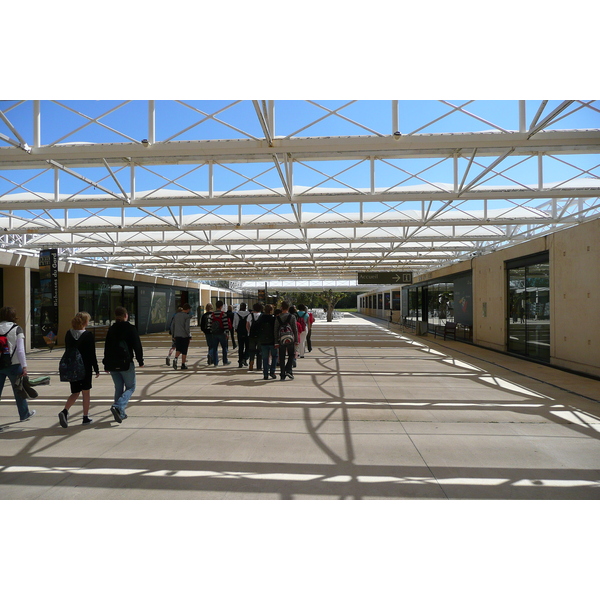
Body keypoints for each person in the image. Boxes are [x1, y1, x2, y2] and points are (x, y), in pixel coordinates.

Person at [58, 311, 99, 427]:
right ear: (86, 322)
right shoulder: (88, 335)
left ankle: (64, 411)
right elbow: (92, 354)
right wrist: (96, 368)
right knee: (86, 392)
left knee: (75, 392)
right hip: (85, 368)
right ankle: (85, 417)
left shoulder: (68, 334)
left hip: (72, 367)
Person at [103, 306, 144, 423]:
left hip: (112, 363)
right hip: (125, 363)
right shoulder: (130, 328)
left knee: (118, 388)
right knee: (131, 387)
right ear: (126, 315)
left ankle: (121, 413)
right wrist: (140, 361)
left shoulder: (112, 329)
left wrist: (106, 364)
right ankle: (118, 406)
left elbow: (107, 347)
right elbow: (137, 345)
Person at [0, 306, 36, 422]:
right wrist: (24, 366)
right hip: (14, 365)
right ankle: (24, 414)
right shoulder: (17, 329)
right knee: (19, 391)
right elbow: (20, 350)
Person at [274, 301, 298, 381]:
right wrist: (296, 340)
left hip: (281, 339)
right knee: (291, 355)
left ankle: (282, 374)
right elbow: (295, 329)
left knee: (282, 356)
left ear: (281, 308)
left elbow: (276, 330)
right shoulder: (292, 316)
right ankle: (289, 369)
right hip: (290, 338)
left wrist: (276, 341)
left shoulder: (278, 317)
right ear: (288, 308)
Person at [208, 300, 232, 366]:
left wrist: (211, 332)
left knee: (215, 348)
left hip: (214, 333)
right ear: (221, 306)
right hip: (222, 333)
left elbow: (209, 324)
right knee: (224, 348)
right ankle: (225, 361)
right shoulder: (223, 314)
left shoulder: (212, 314)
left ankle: (215, 362)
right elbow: (226, 324)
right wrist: (227, 333)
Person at [258, 304, 277, 380]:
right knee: (274, 356)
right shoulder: (274, 319)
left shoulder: (261, 318)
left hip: (263, 341)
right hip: (272, 340)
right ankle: (272, 371)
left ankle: (265, 373)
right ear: (271, 310)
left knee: (265, 358)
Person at [170, 303, 192, 370]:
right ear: (188, 309)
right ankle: (183, 364)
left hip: (177, 335)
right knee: (184, 350)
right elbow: (187, 327)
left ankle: (175, 359)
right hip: (184, 335)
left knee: (178, 348)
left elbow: (172, 326)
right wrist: (189, 335)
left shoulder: (176, 315)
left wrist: (173, 335)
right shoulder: (187, 316)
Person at [233, 302, 251, 367]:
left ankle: (240, 361)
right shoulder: (249, 314)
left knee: (241, 347)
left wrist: (235, 328)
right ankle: (245, 358)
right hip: (247, 332)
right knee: (247, 346)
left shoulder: (237, 314)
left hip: (240, 332)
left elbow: (235, 323)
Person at [247, 302, 263, 372]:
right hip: (260, 335)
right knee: (259, 351)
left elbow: (247, 324)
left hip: (252, 335)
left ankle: (251, 361)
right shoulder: (262, 315)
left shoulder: (250, 315)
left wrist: (249, 331)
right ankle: (259, 366)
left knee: (252, 350)